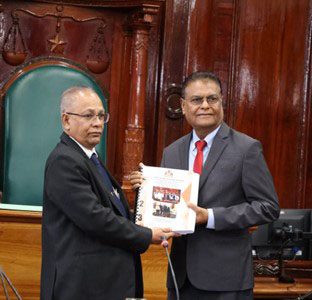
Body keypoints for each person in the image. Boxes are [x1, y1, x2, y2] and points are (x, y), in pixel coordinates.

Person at [130, 71, 280, 299]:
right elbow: (166, 207)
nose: (205, 106)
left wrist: (209, 216)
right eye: (196, 100)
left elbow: (267, 207)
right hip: (180, 278)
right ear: (183, 106)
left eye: (212, 99)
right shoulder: (172, 152)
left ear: (221, 102)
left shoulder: (246, 148)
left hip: (226, 280)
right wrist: (146, 190)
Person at [40, 86, 174, 300]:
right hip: (82, 287)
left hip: (102, 284)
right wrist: (147, 235)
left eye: (101, 116)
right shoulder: (64, 160)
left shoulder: (89, 158)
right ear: (66, 121)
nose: (97, 123)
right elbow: (95, 218)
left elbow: (114, 211)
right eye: (88, 115)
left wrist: (145, 197)